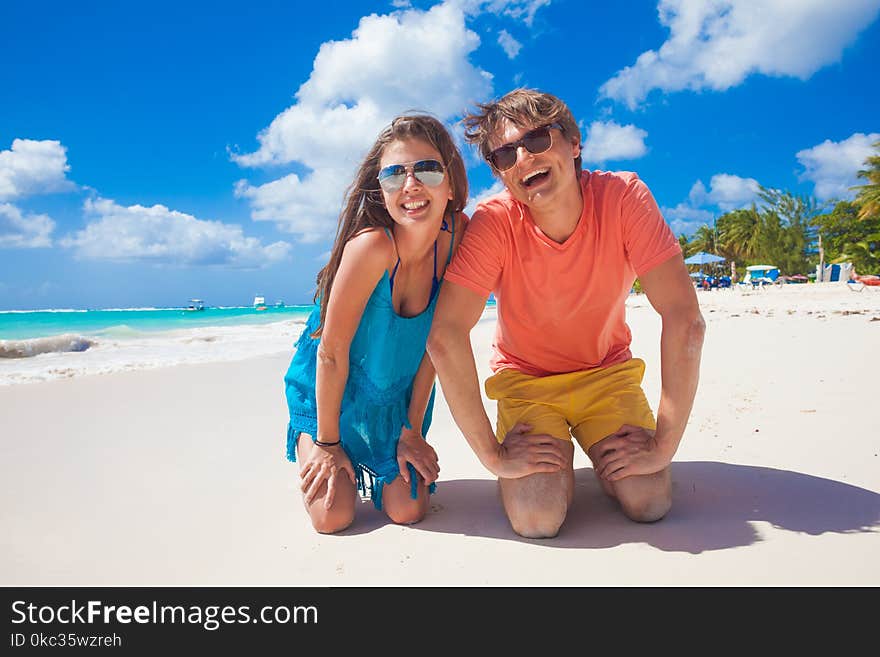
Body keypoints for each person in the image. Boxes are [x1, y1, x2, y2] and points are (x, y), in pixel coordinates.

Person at [426, 89, 706, 538]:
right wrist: (492, 456)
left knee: (649, 502)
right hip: (527, 383)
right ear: (499, 173)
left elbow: (683, 317)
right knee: (538, 519)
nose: (522, 158)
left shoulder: (623, 198)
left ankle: (597, 452)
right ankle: (561, 460)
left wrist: (663, 447)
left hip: (607, 374)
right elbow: (445, 334)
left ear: (574, 143)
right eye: (504, 154)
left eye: (537, 141)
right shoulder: (495, 222)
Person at [284, 114, 468, 534]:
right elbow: (331, 352)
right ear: (380, 190)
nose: (411, 185)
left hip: (394, 401)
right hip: (331, 391)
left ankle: (383, 449)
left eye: (427, 168)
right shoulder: (371, 247)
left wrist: (411, 431)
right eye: (394, 174)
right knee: (333, 518)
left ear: (451, 183)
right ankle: (312, 439)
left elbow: (439, 343)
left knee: (409, 510)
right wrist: (328, 446)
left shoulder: (457, 240)